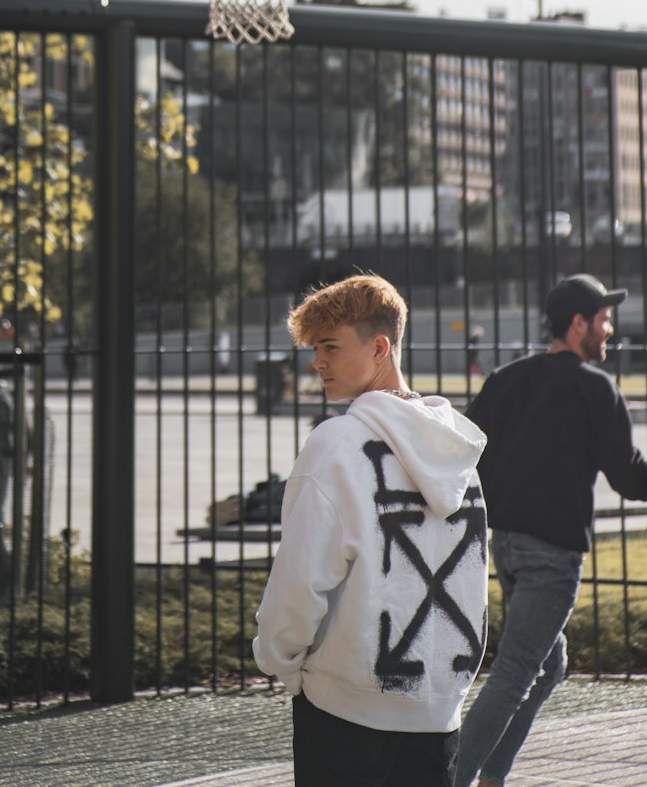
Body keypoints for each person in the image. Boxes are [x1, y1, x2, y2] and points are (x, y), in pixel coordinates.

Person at [253, 274, 489, 787]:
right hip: (438, 715)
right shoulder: (457, 453)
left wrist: (283, 664)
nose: (317, 362)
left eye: (331, 347)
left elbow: (299, 580)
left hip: (344, 715)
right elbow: (471, 582)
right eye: (315, 348)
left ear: (380, 347)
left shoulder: (336, 445)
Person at [454, 273, 647, 787]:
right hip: (552, 555)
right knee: (516, 673)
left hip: (509, 546)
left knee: (551, 662)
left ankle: (493, 776)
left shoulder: (507, 378)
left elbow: (467, 451)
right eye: (604, 319)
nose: (610, 329)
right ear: (579, 323)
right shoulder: (595, 388)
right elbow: (627, 475)